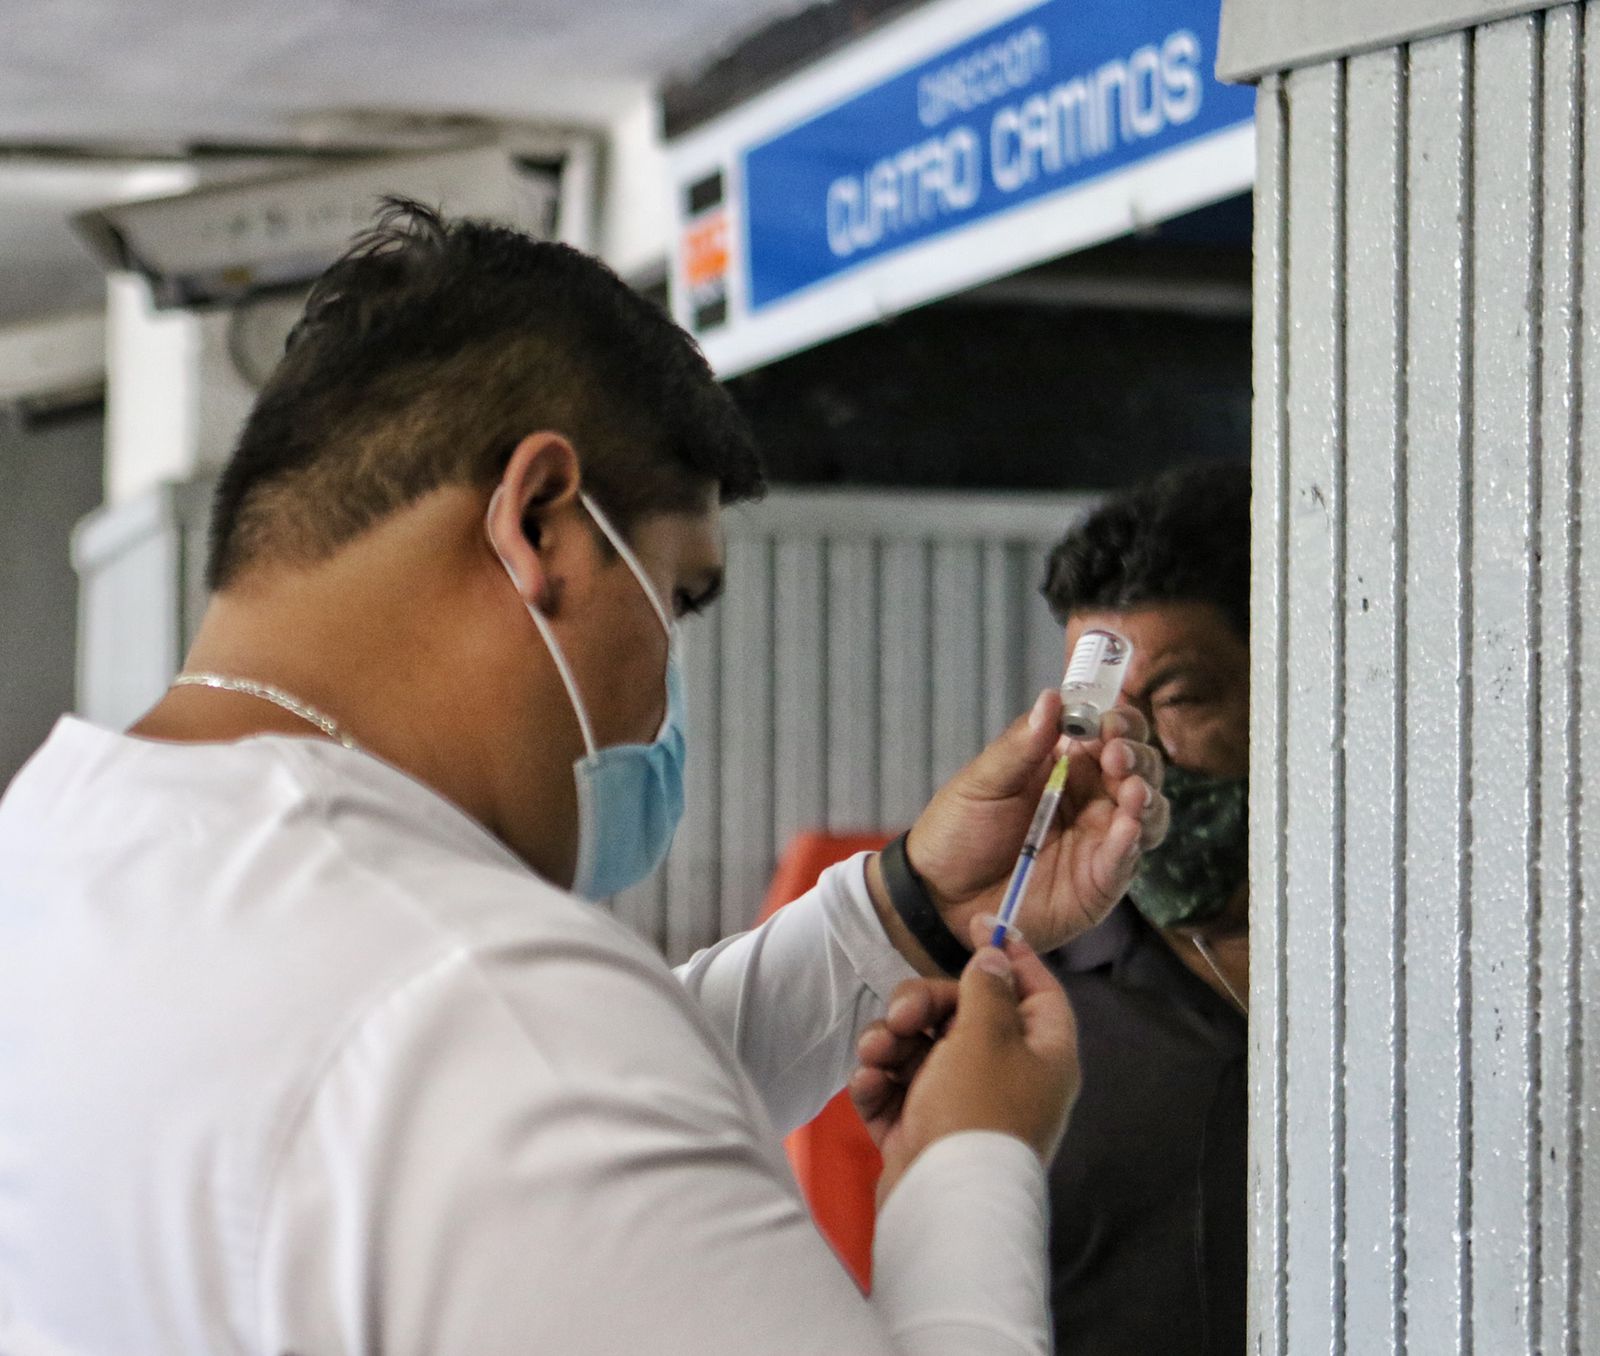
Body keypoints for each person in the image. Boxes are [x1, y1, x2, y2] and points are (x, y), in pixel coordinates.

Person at [0, 201, 1168, 1356]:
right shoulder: (470, 999)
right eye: (677, 595)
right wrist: (967, 1167)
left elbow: (520, 1121)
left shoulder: (61, 850)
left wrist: (903, 912)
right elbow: (534, 1070)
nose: (666, 681)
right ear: (541, 521)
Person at [1036, 458, 1250, 1355]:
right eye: (1099, 716)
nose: (1137, 755)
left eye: (1179, 700)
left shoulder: (1420, 968)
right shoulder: (1027, 1014)